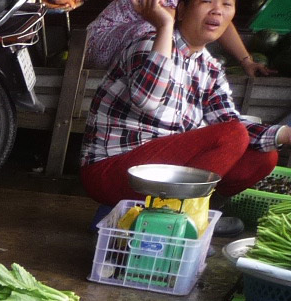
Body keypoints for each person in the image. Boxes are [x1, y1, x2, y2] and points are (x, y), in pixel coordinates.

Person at [81, 0, 291, 208]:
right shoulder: (150, 44)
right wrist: (165, 26)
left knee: (264, 155)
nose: (217, 10)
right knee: (232, 135)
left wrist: (284, 134)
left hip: (163, 172)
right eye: (206, 1)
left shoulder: (211, 68)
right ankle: (178, 211)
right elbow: (147, 100)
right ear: (181, 10)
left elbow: (229, 120)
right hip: (112, 170)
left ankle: (200, 210)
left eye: (227, 4)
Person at [85, 0, 273, 75]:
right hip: (98, 43)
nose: (219, 9)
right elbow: (164, 19)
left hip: (140, 47)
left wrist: (246, 61)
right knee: (161, 29)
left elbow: (220, 21)